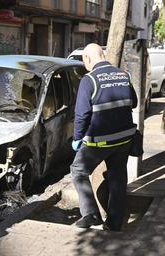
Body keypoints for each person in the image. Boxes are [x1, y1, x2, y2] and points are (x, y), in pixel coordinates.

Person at [70, 43, 138, 231]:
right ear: (103, 55)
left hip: (99, 141)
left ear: (88, 59)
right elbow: (134, 102)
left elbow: (82, 114)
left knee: (78, 171)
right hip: (125, 139)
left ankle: (91, 214)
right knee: (118, 177)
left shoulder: (89, 79)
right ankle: (114, 222)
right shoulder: (124, 75)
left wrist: (77, 138)